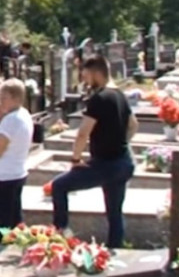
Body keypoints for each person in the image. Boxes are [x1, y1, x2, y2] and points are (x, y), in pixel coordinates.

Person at [51, 56, 138, 248]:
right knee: (115, 211)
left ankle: (60, 235)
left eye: (86, 75)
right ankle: (116, 247)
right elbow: (133, 125)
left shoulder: (99, 99)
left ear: (96, 73)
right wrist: (120, 142)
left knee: (58, 186)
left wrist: (76, 159)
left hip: (105, 164)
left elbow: (83, 133)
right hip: (124, 161)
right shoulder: (119, 95)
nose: (85, 80)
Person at [0, 79, 34, 240]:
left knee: (4, 222)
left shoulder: (12, 120)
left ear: (16, 98)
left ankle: (6, 245)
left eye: (4, 98)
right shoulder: (23, 115)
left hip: (5, 177)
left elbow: (0, 146)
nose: (0, 101)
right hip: (15, 172)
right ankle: (16, 244)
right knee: (15, 219)